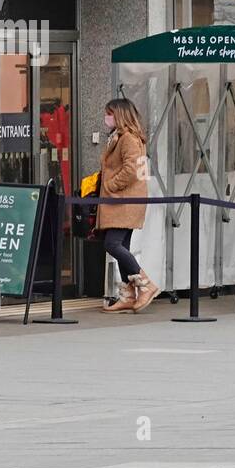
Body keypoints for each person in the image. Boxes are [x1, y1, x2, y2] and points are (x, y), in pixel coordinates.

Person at [96, 98, 159, 313]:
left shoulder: (128, 139)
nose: (106, 118)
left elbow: (131, 169)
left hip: (124, 201)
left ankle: (146, 284)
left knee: (112, 244)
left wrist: (110, 185)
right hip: (123, 201)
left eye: (110, 113)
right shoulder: (122, 137)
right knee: (121, 245)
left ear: (120, 115)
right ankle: (129, 294)